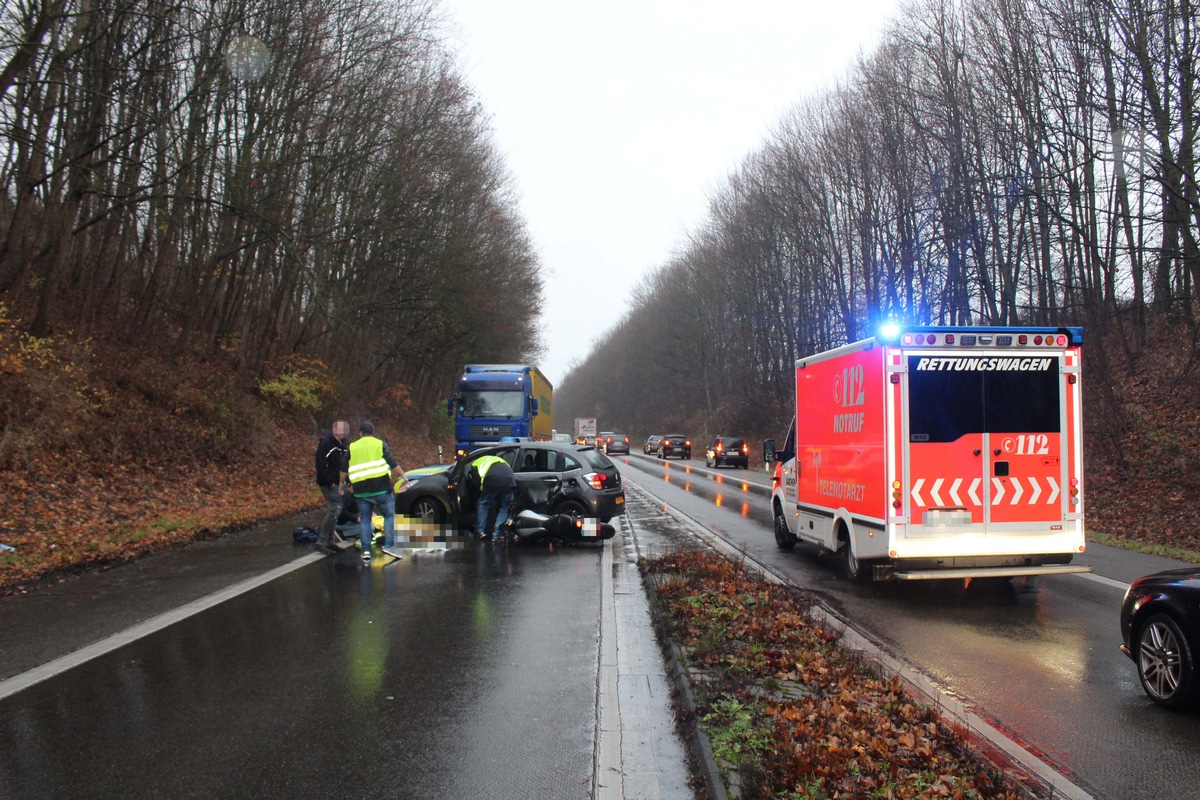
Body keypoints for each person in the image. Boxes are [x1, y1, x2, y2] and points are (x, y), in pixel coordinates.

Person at [341, 421, 407, 562]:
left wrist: (341, 483)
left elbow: (344, 467)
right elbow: (392, 461)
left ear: (360, 433)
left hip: (361, 491)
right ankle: (389, 546)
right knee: (389, 516)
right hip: (382, 488)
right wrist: (403, 475)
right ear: (372, 432)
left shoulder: (352, 447)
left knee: (365, 519)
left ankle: (366, 551)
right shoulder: (379, 444)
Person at [313, 420, 350, 556]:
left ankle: (330, 541)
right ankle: (321, 542)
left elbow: (345, 465)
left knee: (337, 510)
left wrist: (348, 481)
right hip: (329, 484)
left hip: (340, 483)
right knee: (334, 510)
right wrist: (329, 482)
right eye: (340, 429)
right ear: (334, 429)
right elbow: (320, 465)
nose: (343, 431)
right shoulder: (326, 444)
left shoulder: (344, 445)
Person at [471, 453, 516, 541]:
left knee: (483, 504)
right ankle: (497, 534)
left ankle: (480, 532)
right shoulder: (501, 461)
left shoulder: (475, 463)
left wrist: (482, 491)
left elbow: (477, 481)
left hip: (492, 480)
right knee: (504, 508)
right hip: (509, 481)